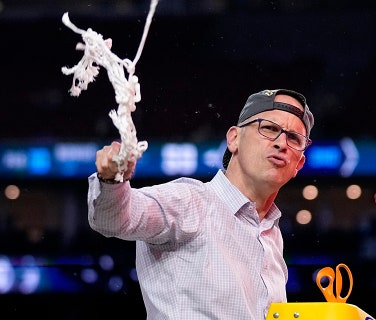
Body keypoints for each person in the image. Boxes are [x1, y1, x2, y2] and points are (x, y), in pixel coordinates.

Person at [87, 89, 314, 319]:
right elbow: (114, 219)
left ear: (300, 164)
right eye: (269, 128)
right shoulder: (189, 201)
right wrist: (112, 180)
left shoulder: (271, 236)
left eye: (294, 138)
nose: (282, 143)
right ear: (234, 139)